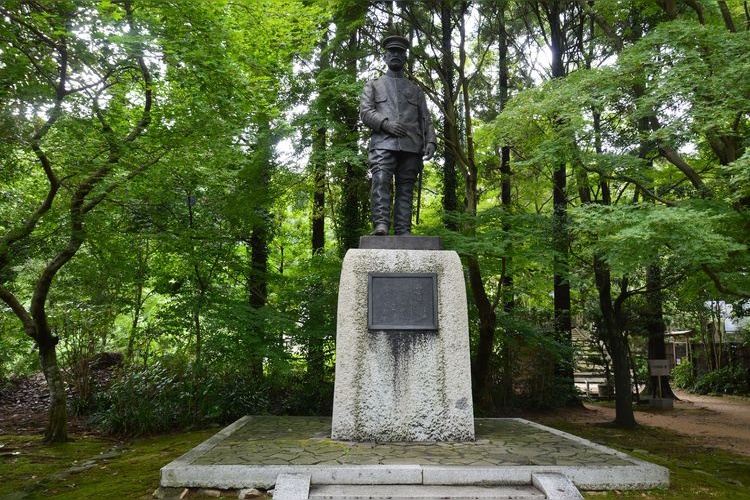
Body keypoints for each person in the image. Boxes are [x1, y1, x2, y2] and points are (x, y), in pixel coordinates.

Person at [360, 34, 437, 236]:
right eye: (391, 52)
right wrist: (386, 124)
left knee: (406, 188)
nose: (395, 55)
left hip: (411, 145)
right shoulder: (373, 85)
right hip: (383, 143)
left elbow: (425, 118)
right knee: (381, 181)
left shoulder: (415, 90)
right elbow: (366, 112)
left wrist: (431, 140)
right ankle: (381, 224)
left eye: (400, 52)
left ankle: (403, 229)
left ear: (405, 58)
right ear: (385, 57)